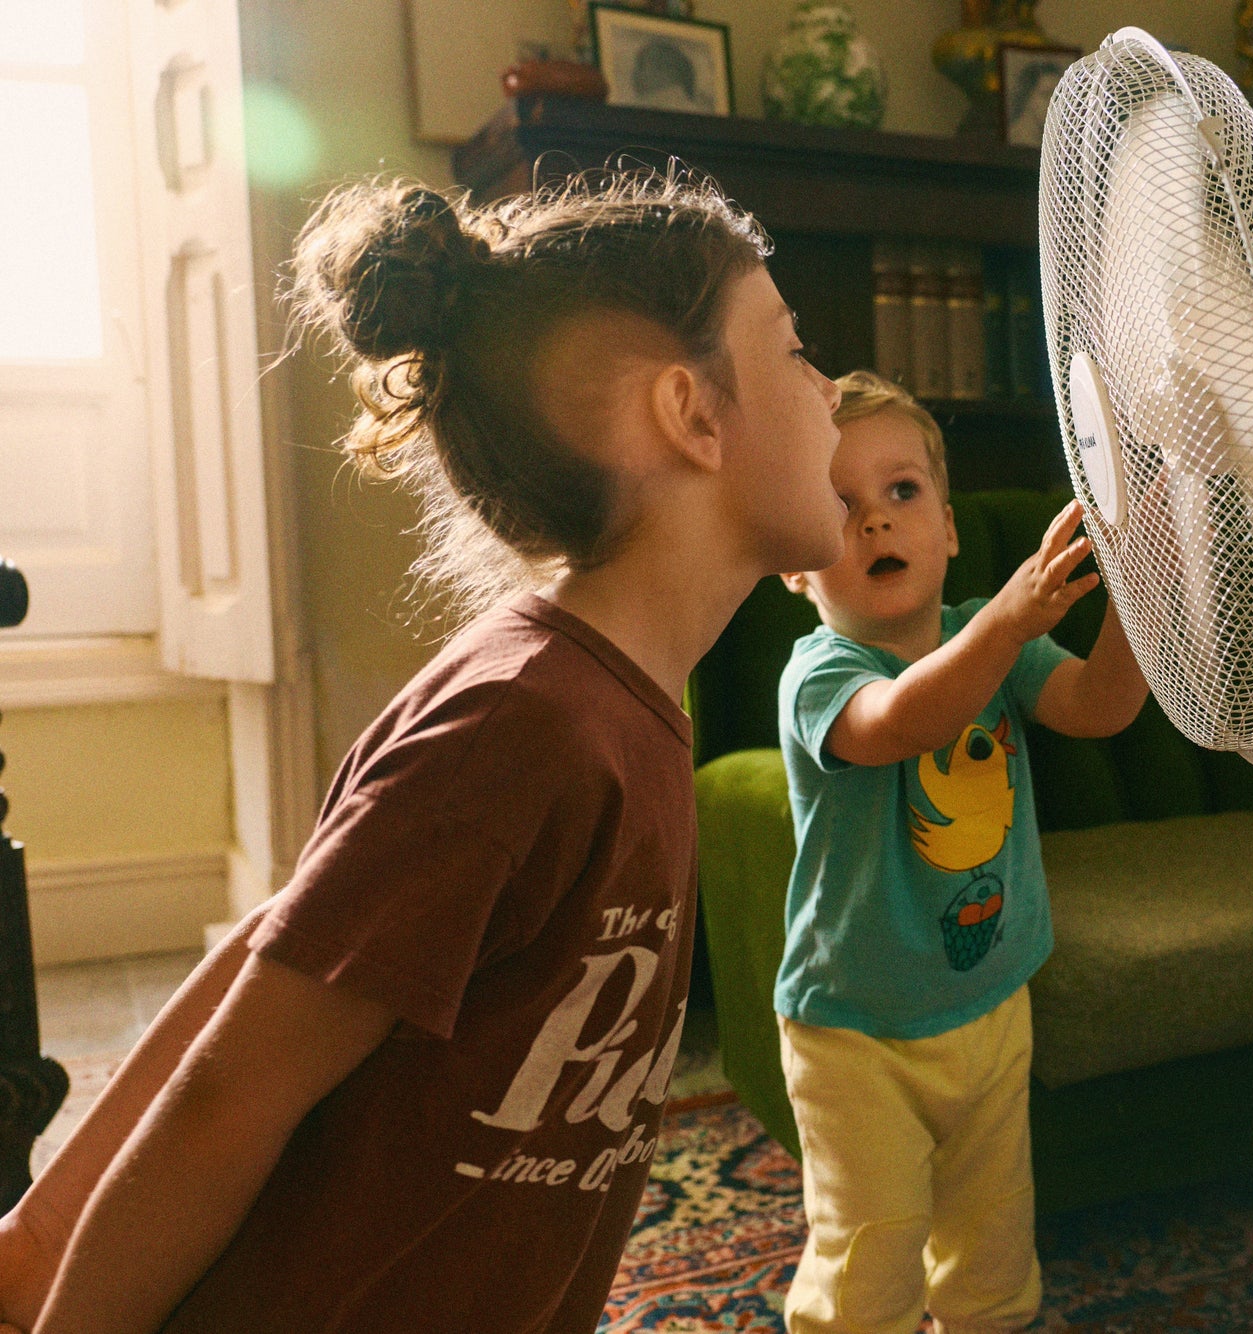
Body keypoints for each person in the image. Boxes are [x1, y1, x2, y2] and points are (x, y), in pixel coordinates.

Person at [0, 169, 846, 1334]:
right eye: (794, 350)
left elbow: (278, 937)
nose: (831, 391)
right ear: (689, 412)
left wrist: (34, 1238)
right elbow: (227, 1097)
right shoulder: (515, 727)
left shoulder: (618, 706)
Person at [775, 371, 1150, 1334]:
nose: (875, 520)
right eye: (839, 504)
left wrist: (1147, 594)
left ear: (946, 528)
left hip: (991, 1001)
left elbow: (1098, 707)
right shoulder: (820, 675)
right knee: (870, 1256)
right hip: (855, 1031)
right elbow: (904, 721)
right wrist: (1007, 622)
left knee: (992, 1238)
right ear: (795, 562)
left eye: (902, 491)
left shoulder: (993, 641)